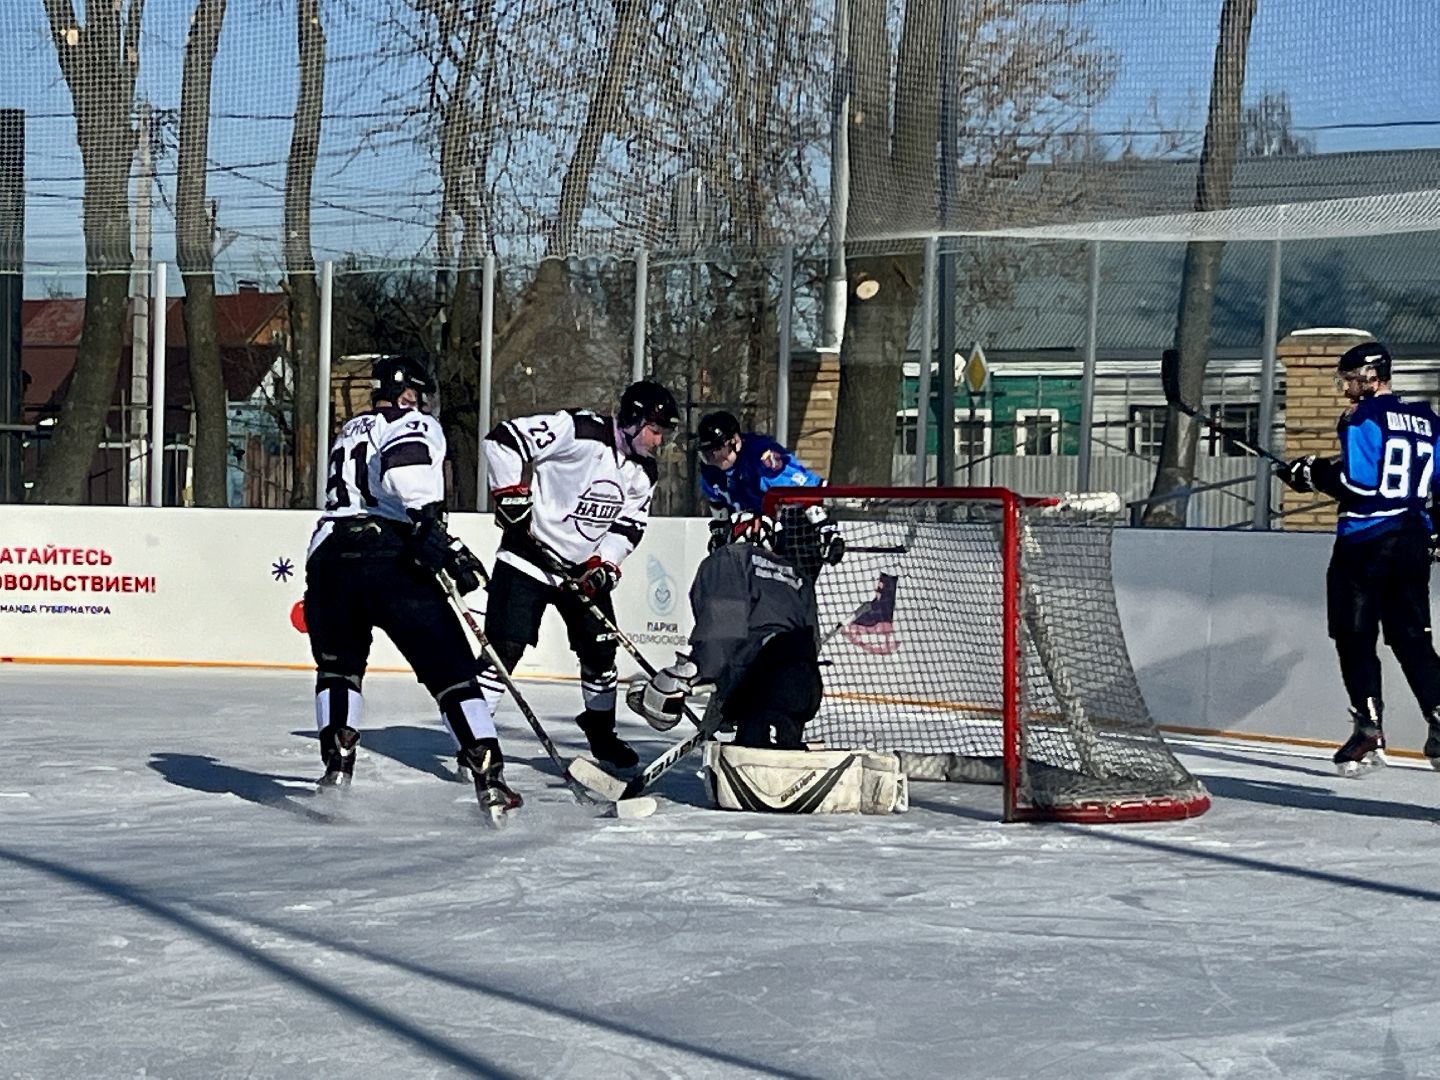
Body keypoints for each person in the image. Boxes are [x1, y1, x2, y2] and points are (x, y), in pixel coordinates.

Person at [303, 356, 521, 824]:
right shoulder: (411, 421)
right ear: (410, 394)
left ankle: (337, 765)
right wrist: (431, 528)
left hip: (328, 559)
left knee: (339, 669)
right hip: (388, 556)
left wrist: (444, 541)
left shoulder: (351, 430)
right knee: (452, 673)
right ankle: (487, 772)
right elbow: (406, 475)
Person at [480, 379, 681, 773]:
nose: (659, 441)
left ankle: (601, 734)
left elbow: (629, 524)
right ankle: (475, 740)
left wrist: (605, 563)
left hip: (580, 570)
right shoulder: (579, 430)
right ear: (633, 419)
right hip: (527, 558)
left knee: (602, 653)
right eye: (656, 430)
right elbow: (503, 439)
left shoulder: (644, 471)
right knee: (502, 654)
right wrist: (510, 493)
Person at [1275, 340, 1440, 777]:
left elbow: (1362, 486)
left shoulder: (1361, 417)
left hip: (1366, 544)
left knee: (1353, 633)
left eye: (1349, 378)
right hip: (1411, 542)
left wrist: (1312, 475)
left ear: (1370, 376)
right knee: (1412, 637)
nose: (1345, 387)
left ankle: (1368, 729)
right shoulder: (1427, 420)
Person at [641, 511, 822, 750]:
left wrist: (692, 671)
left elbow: (722, 631)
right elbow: (813, 639)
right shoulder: (797, 574)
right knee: (782, 756)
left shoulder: (732, 559)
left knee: (754, 761)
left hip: (762, 681)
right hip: (806, 685)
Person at [695, 410, 845, 564]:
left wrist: (826, 530)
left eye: (718, 450)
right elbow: (718, 505)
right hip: (754, 538)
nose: (714, 458)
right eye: (708, 454)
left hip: (795, 532)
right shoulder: (710, 471)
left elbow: (806, 491)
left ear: (735, 441)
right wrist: (720, 534)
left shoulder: (760, 459)